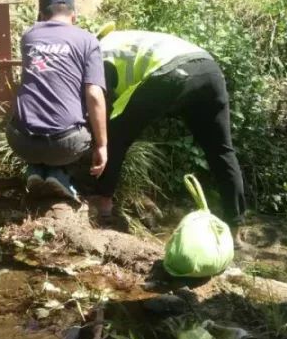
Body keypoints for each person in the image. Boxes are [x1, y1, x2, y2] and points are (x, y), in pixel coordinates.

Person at [87, 27, 246, 227]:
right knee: (221, 151)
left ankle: (103, 202)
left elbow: (101, 101)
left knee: (115, 134)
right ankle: (235, 226)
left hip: (172, 71)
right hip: (209, 70)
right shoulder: (125, 38)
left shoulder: (99, 52)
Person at [6, 0, 108, 201]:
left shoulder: (29, 36)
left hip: (21, 140)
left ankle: (36, 170)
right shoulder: (87, 41)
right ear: (74, 15)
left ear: (41, 15)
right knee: (86, 124)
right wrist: (102, 145)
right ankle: (60, 174)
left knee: (38, 115)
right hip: (64, 145)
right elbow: (94, 95)